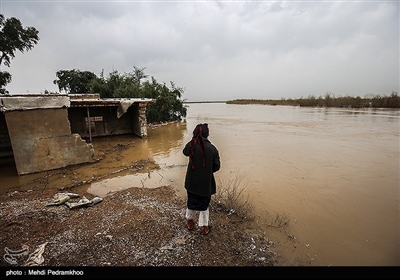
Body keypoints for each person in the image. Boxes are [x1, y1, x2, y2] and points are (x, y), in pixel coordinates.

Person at [182, 123, 220, 235]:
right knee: (204, 205)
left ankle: (190, 222)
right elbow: (217, 166)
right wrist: (207, 171)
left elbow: (184, 152)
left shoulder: (192, 145)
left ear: (195, 133)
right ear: (207, 134)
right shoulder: (213, 149)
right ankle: (205, 227)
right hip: (205, 183)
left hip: (192, 182)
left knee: (191, 202)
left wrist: (193, 140)